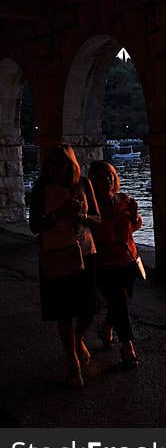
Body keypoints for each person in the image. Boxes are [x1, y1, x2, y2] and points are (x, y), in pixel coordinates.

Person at [29, 144, 101, 388]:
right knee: (64, 311)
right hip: (56, 254)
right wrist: (60, 213)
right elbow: (34, 225)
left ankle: (77, 339)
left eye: (62, 163)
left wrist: (81, 216)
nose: (57, 168)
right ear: (47, 166)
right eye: (53, 163)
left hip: (85, 252)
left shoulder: (84, 184)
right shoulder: (41, 189)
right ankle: (73, 361)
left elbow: (97, 218)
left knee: (89, 308)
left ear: (72, 165)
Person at [88, 160, 142, 368]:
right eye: (102, 176)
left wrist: (135, 217)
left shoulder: (124, 200)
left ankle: (107, 325)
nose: (108, 179)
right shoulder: (91, 207)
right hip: (104, 263)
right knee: (119, 301)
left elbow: (133, 228)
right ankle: (127, 347)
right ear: (93, 180)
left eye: (110, 175)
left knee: (121, 301)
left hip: (128, 260)